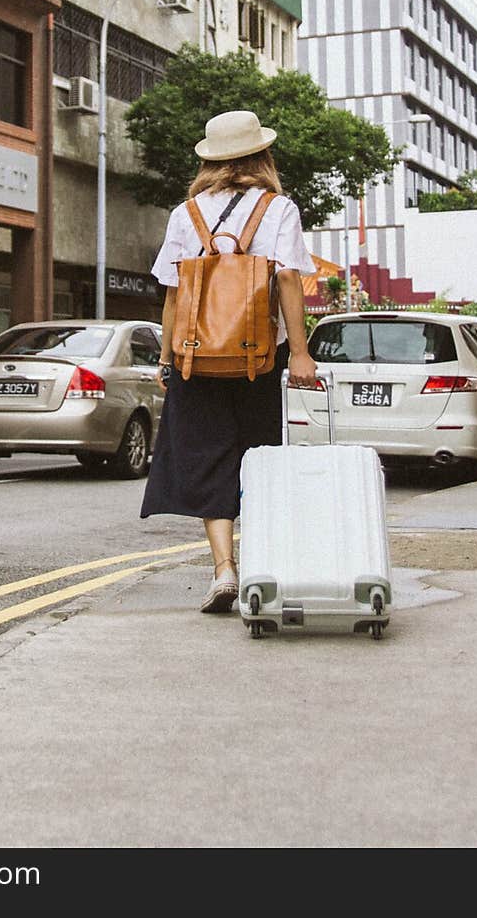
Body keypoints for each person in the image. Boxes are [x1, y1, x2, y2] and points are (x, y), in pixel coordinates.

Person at [140, 109, 317, 614]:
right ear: (261, 155)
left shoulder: (186, 213)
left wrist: (168, 358)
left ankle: (223, 568)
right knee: (256, 457)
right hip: (256, 358)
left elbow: (174, 293)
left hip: (196, 356)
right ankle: (259, 563)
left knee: (206, 455)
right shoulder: (278, 208)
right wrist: (300, 353)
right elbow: (287, 280)